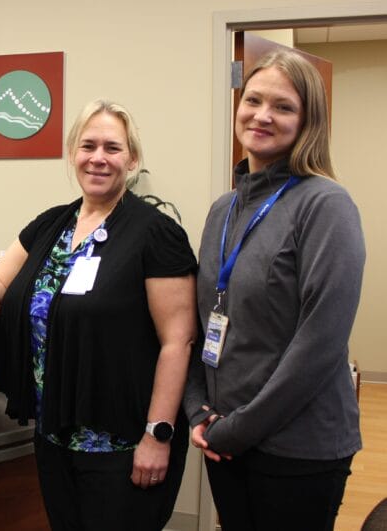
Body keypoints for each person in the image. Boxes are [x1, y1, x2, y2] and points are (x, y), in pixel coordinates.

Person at [0, 100, 197, 530]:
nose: (98, 158)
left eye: (112, 148)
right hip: (54, 437)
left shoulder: (156, 234)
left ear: (132, 160)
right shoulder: (51, 225)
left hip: (122, 445)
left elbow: (178, 342)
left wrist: (158, 436)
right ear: (72, 154)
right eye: (88, 146)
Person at [183, 50, 365, 531]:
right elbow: (204, 319)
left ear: (308, 121)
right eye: (253, 100)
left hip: (299, 446)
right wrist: (197, 410)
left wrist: (238, 429)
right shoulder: (223, 209)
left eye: (283, 107)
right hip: (224, 434)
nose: (262, 115)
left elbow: (320, 341)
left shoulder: (326, 204)